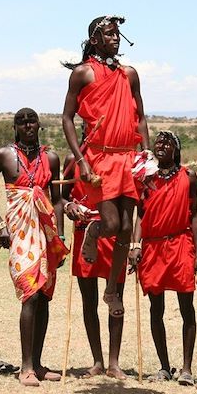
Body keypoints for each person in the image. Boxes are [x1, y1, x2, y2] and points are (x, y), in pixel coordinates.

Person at [61, 15, 151, 319]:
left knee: (127, 228)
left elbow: (140, 117)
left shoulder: (130, 74)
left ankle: (112, 290)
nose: (116, 39)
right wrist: (82, 160)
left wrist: (146, 155)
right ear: (96, 39)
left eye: (118, 34)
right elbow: (66, 119)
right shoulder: (83, 74)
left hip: (129, 157)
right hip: (100, 157)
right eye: (110, 34)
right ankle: (95, 228)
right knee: (111, 224)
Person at [0, 108, 69, 387]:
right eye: (21, 121)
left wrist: (60, 238)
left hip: (46, 233)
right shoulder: (3, 155)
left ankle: (38, 364)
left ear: (39, 124)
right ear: (15, 126)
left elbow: (57, 200)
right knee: (29, 293)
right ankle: (25, 366)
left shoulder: (50, 158)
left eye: (32, 120)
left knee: (43, 296)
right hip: (18, 232)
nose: (27, 124)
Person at [128, 131, 197, 385]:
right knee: (155, 308)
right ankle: (163, 367)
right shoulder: (145, 177)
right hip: (152, 248)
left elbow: (194, 216)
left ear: (176, 149)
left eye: (167, 143)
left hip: (181, 244)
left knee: (186, 308)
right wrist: (135, 245)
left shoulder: (188, 176)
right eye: (158, 142)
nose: (161, 145)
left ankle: (186, 369)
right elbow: (140, 215)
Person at [62, 156, 127, 379]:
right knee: (88, 301)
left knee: (115, 297)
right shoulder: (73, 160)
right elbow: (60, 199)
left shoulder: (116, 159)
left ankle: (114, 363)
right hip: (83, 233)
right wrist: (69, 205)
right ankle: (97, 360)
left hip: (112, 235)